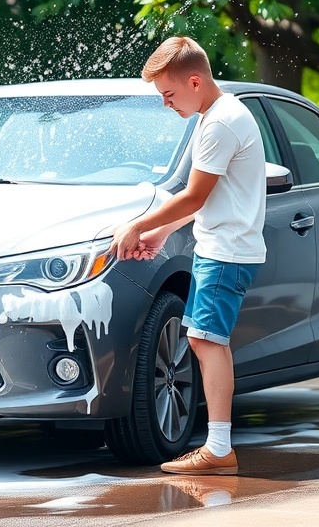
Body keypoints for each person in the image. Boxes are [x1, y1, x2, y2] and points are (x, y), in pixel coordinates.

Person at [109, 36, 266, 475]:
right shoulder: (216, 115)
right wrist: (162, 234)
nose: (165, 105)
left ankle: (218, 448)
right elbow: (207, 199)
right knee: (204, 337)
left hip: (227, 251)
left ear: (194, 81)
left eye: (168, 94)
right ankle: (218, 446)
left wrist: (139, 225)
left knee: (205, 340)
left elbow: (195, 195)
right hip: (223, 247)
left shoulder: (219, 124)